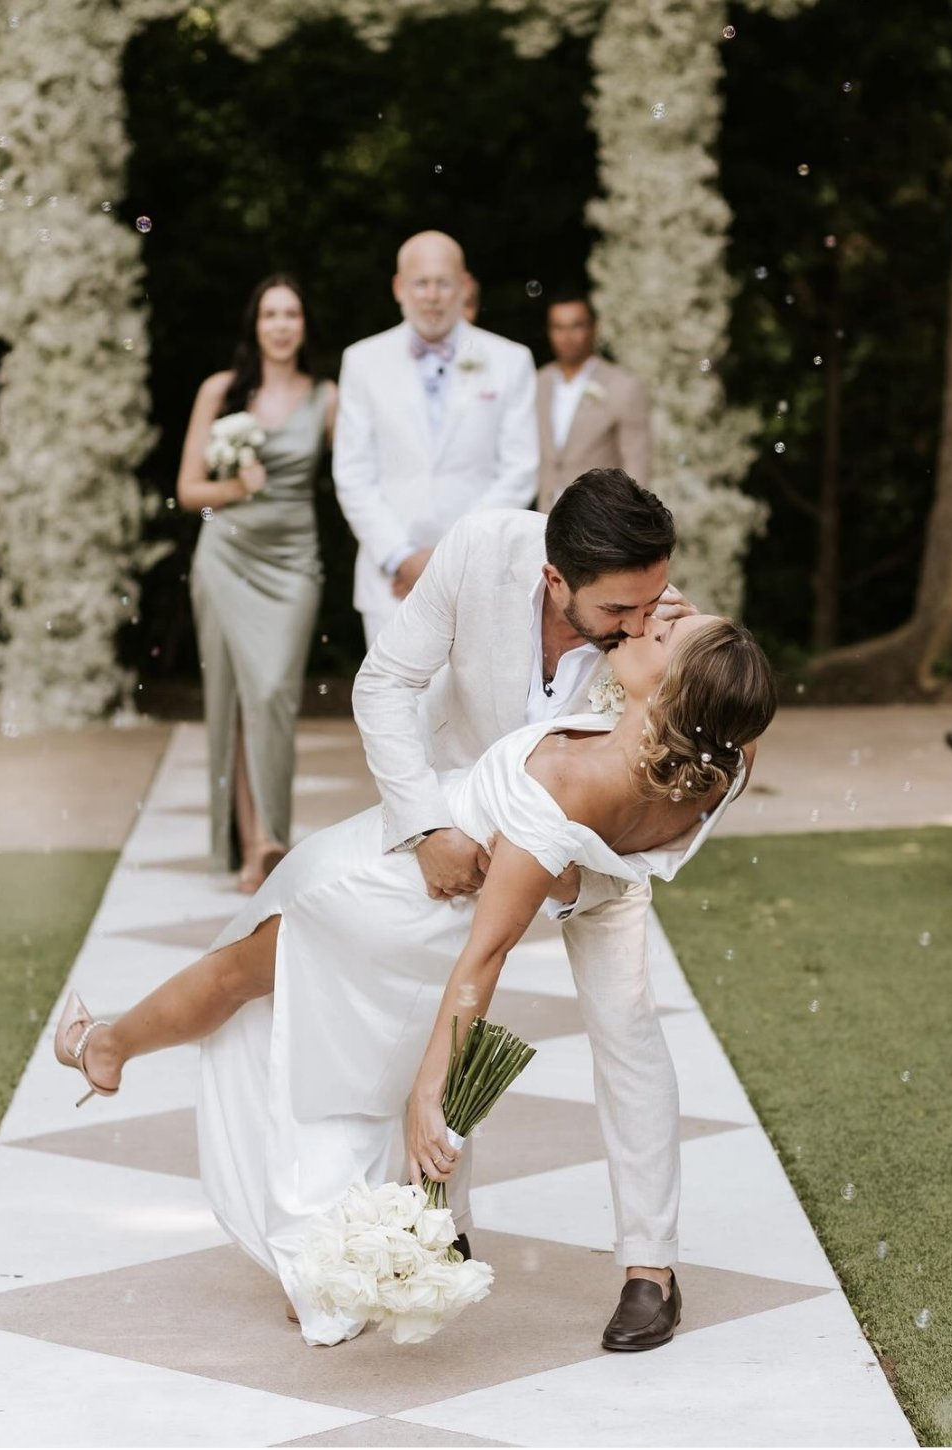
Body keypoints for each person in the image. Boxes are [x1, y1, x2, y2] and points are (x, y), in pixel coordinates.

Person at [55, 609, 776, 1350]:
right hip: (403, 883)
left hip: (394, 892)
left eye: (666, 632)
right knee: (243, 979)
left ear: (672, 695)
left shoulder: (571, 776)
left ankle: (111, 1051)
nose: (656, 616)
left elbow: (487, 956)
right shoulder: (722, 754)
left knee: (242, 982)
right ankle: (113, 1051)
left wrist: (432, 1092)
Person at [353, 469, 703, 1351]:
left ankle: (651, 1269)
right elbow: (384, 683)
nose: (641, 623)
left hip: (600, 848)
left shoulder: (665, 629)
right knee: (435, 1014)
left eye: (653, 599)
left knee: (627, 1026)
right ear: (555, 580)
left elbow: (697, 782)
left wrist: (579, 876)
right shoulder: (480, 550)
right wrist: (427, 824)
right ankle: (442, 1225)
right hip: (470, 817)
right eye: (619, 609)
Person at [176, 275, 337, 893]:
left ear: (304, 325)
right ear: (255, 325)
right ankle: (258, 846)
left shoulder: (326, 396)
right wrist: (235, 488)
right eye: (270, 314)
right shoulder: (220, 391)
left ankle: (272, 832)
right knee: (234, 700)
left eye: (291, 313)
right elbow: (189, 492)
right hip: (226, 557)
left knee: (273, 692)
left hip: (294, 560)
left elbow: (359, 471)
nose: (281, 325)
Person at [332, 231, 537, 645]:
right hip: (391, 581)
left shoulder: (511, 361)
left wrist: (453, 557)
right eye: (420, 283)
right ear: (398, 288)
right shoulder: (362, 361)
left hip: (480, 577)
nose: (431, 296)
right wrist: (401, 556)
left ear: (464, 286)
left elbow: (520, 470)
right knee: (392, 687)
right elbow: (352, 473)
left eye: (443, 283)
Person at [535, 290, 651, 512]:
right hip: (545, 512)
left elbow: (636, 465)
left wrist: (627, 519)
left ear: (594, 328)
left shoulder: (623, 386)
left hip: (599, 515)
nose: (567, 336)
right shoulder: (539, 382)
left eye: (576, 326)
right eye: (558, 327)